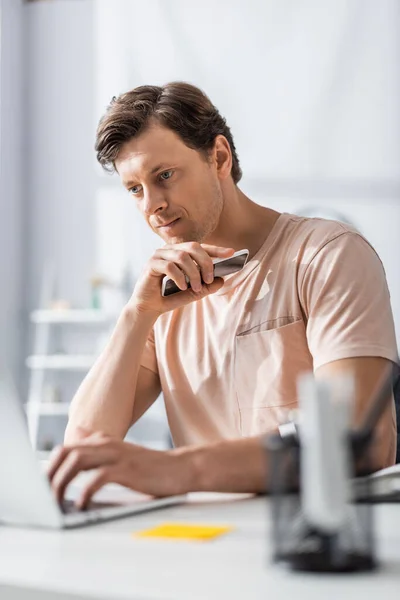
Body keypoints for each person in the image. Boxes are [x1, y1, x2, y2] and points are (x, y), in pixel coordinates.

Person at [48, 82, 398, 508]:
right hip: (207, 543)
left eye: (165, 176)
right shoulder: (162, 297)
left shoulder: (327, 254)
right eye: (135, 189)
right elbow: (86, 443)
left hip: (312, 544)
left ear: (219, 157)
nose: (151, 206)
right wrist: (137, 313)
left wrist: (180, 470)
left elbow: (359, 440)